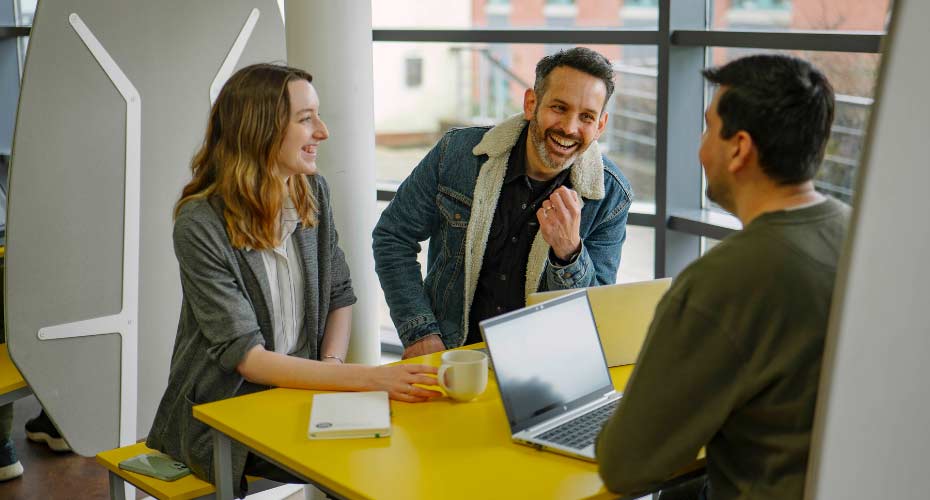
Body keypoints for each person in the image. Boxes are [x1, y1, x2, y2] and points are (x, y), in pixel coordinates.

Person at [146, 63, 441, 498]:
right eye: (306, 119)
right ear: (259, 129)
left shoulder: (311, 191)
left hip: (303, 391)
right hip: (228, 407)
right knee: (371, 465)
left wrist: (333, 369)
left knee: (404, 447)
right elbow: (246, 357)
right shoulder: (199, 223)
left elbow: (340, 294)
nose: (322, 131)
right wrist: (369, 379)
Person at [596, 54, 849, 500]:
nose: (700, 147)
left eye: (709, 127)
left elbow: (623, 467)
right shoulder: (860, 234)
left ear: (739, 149)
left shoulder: (722, 281)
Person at [373, 47, 633, 359]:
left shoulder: (611, 195)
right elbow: (393, 236)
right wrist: (420, 332)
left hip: (542, 367)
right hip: (452, 356)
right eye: (559, 108)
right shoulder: (456, 154)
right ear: (531, 103)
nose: (569, 127)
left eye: (586, 117)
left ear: (600, 126)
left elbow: (595, 315)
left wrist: (569, 253)